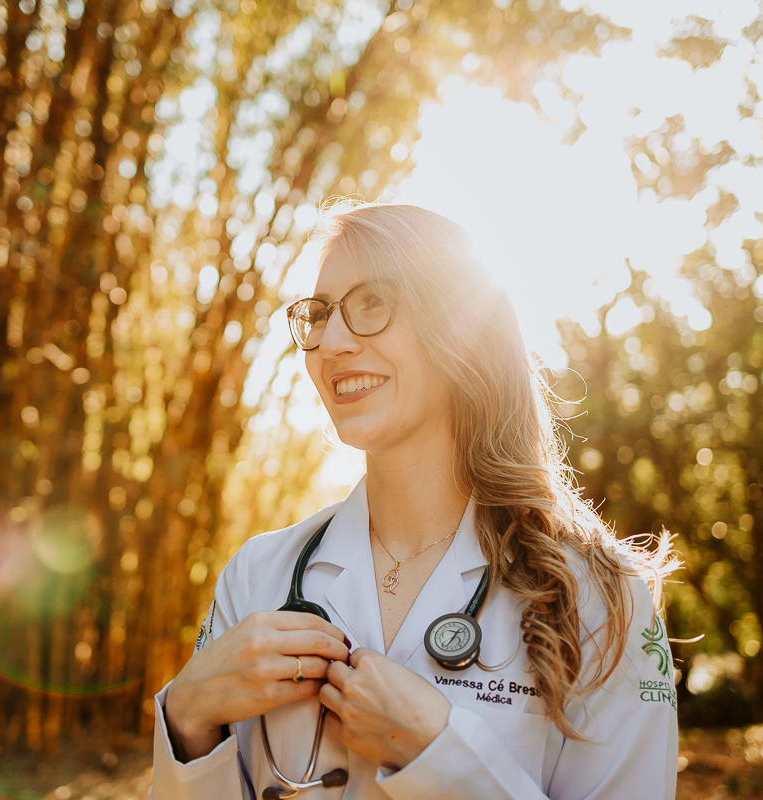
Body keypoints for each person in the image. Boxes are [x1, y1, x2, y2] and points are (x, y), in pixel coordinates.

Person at [150, 202, 679, 799]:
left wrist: (440, 754)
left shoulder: (602, 597)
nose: (332, 343)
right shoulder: (257, 574)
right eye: (319, 315)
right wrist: (189, 717)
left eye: (372, 303)